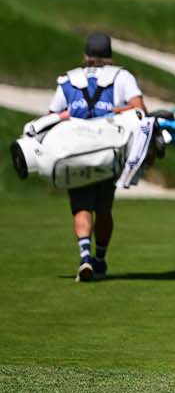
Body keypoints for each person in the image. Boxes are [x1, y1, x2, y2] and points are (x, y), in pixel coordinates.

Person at [49, 33, 145, 281]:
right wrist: (117, 110)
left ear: (85, 56)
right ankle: (100, 259)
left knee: (81, 206)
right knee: (104, 209)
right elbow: (139, 110)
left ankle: (84, 257)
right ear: (110, 57)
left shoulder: (69, 79)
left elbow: (51, 116)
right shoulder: (122, 77)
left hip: (75, 153)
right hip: (107, 154)